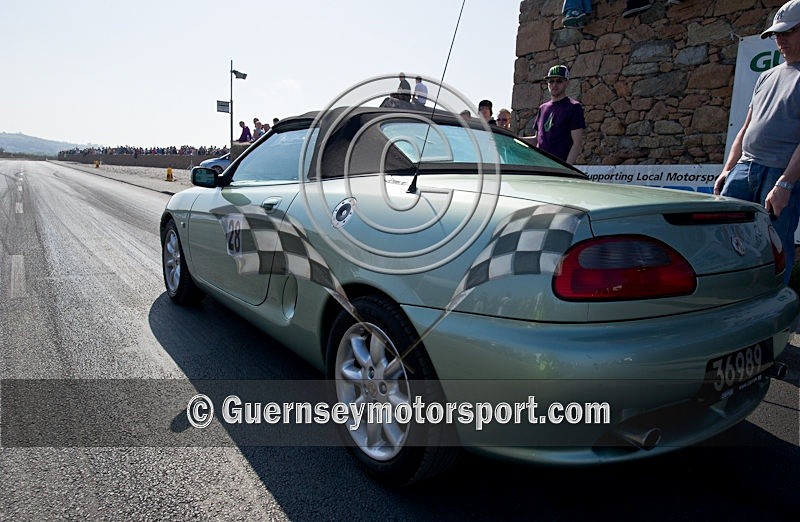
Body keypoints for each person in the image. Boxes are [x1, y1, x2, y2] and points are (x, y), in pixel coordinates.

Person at [714, 0, 800, 284]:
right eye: (777, 33)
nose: (780, 39)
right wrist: (729, 168)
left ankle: (771, 315)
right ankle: (729, 305)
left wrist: (786, 183)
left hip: (779, 175)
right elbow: (746, 127)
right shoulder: (766, 75)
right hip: (745, 168)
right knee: (728, 241)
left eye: (788, 32)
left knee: (775, 248)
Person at [529, 65, 585, 164]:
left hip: (559, 169)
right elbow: (537, 139)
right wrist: (511, 139)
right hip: (541, 166)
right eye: (551, 81)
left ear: (567, 83)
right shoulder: (542, 108)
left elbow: (577, 143)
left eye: (559, 81)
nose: (554, 84)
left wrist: (566, 169)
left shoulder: (573, 107)